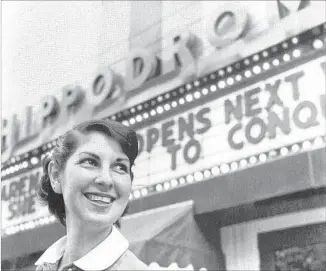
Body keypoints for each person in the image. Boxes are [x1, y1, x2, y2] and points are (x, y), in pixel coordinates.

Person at [35, 119, 149, 270]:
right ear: (56, 176)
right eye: (90, 162)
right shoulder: (45, 267)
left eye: (120, 167)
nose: (106, 180)